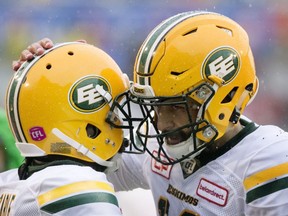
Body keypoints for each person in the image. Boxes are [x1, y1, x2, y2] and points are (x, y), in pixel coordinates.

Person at [13, 11, 288, 215]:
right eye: (156, 105)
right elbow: (75, 166)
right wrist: (52, 78)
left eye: (176, 107)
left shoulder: (270, 160)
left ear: (225, 95)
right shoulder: (162, 144)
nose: (162, 122)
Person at [4, 41, 130, 215]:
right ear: (87, 126)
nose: (118, 122)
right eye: (113, 113)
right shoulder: (76, 185)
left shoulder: (11, 181)